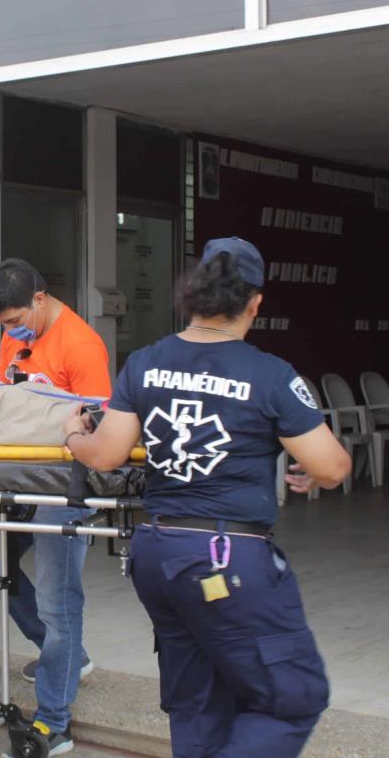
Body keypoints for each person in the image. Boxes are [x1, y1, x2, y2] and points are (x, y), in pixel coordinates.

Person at [66, 237, 350, 758]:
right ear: (255, 303)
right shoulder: (270, 374)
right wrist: (315, 475)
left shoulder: (145, 363)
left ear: (193, 295)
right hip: (228, 560)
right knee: (294, 697)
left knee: (197, 704)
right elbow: (332, 466)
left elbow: (104, 455)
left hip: (157, 552)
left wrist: (72, 435)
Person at [0, 258, 111, 756]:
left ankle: (55, 721)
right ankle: (64, 656)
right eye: (3, 326)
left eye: (13, 322)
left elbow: (101, 427)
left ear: (40, 299)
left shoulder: (81, 346)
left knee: (58, 601)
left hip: (66, 485)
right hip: (18, 478)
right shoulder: (15, 336)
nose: (10, 333)